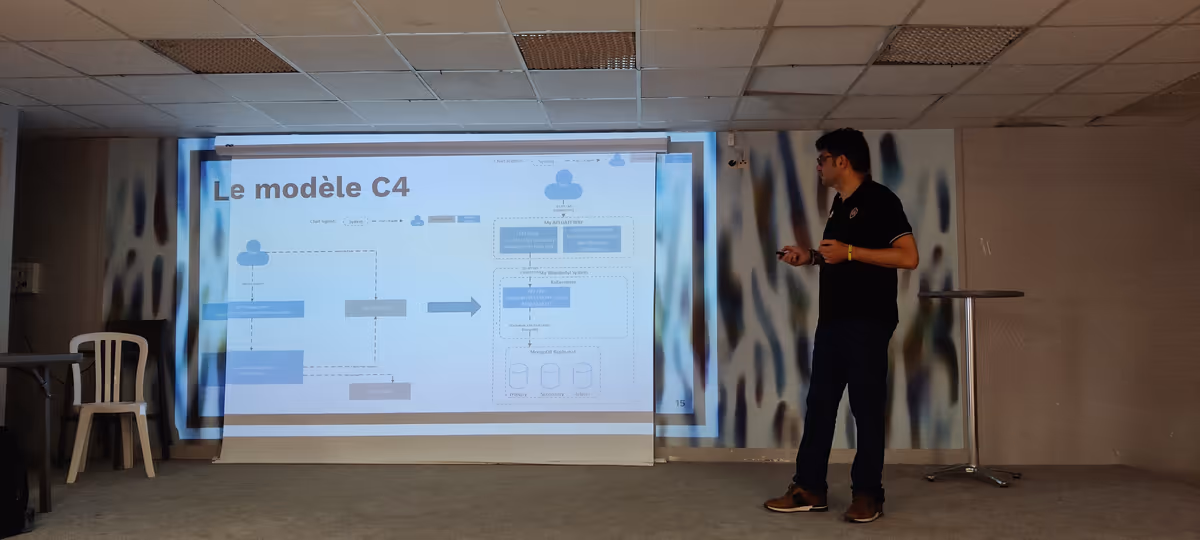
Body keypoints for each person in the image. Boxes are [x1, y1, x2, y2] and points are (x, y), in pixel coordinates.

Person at [765, 128, 919, 524]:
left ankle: (868, 495)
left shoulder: (881, 199)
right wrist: (811, 257)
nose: (818, 167)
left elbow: (908, 257)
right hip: (832, 321)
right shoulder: (839, 204)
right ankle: (809, 488)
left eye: (822, 160)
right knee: (820, 406)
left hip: (868, 322)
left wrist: (850, 251)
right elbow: (840, 257)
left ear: (842, 161)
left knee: (866, 410)